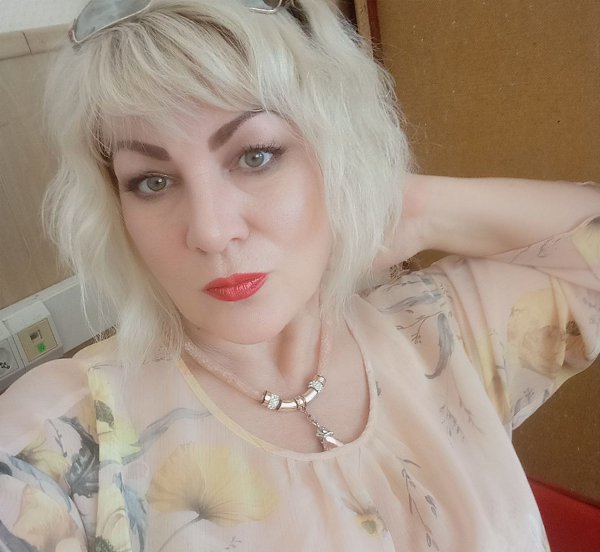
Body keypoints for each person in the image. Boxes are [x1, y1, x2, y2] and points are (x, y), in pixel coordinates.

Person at [0, 0, 598, 550]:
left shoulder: (439, 331)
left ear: (334, 155)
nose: (211, 231)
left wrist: (417, 210)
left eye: (255, 156)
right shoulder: (65, 439)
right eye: (152, 182)